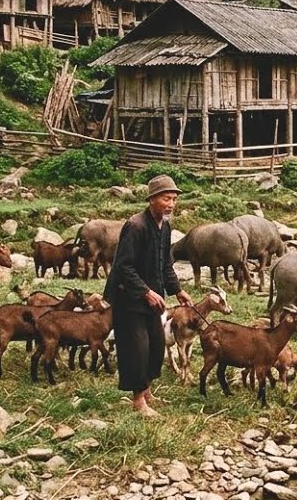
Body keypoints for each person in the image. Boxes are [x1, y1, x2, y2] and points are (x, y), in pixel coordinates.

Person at [103, 174, 192, 417]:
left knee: (156, 344)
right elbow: (124, 266)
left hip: (153, 299)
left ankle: (148, 392)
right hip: (129, 298)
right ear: (152, 199)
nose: (171, 204)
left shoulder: (165, 227)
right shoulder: (136, 226)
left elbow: (165, 265)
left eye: (174, 199)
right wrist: (145, 291)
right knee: (137, 348)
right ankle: (138, 400)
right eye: (166, 199)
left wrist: (178, 290)